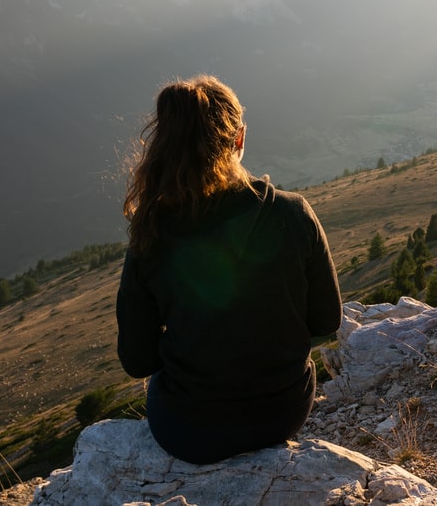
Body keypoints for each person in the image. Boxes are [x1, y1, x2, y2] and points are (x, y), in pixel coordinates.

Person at [115, 74, 342, 464]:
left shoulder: (152, 233)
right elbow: (326, 320)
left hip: (189, 431)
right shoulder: (292, 212)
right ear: (239, 138)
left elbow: (137, 361)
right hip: (283, 413)